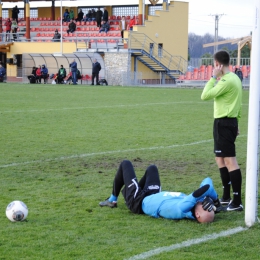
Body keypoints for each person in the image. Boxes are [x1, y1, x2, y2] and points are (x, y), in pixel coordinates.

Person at [99, 160, 222, 223]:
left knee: (125, 164)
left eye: (206, 208)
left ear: (198, 215)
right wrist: (214, 202)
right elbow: (207, 180)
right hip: (152, 195)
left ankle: (112, 200)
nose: (206, 205)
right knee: (152, 169)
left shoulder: (183, 208)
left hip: (138, 202)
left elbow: (205, 189)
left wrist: (214, 199)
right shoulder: (194, 205)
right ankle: (133, 187)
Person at [201, 50, 243, 211]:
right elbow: (238, 102)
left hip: (225, 123)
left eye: (214, 64)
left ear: (218, 64)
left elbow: (205, 95)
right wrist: (237, 122)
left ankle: (237, 200)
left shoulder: (226, 81)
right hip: (224, 122)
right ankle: (226, 196)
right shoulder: (234, 78)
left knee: (230, 161)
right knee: (220, 159)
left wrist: (213, 77)